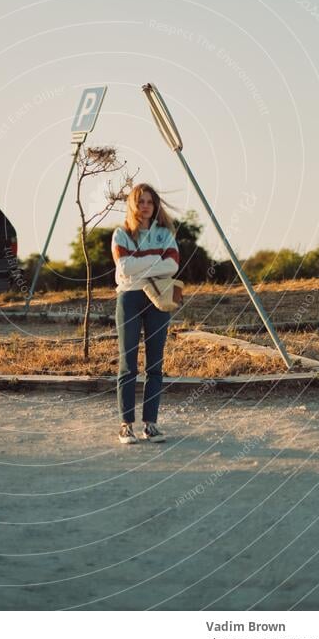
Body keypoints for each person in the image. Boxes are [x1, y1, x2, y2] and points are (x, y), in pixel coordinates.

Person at [111, 183, 180, 445]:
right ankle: (126, 425)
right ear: (132, 204)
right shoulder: (121, 234)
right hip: (129, 297)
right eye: (140, 202)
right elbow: (125, 267)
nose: (145, 206)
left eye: (150, 202)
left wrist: (143, 262)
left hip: (159, 298)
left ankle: (150, 425)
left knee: (155, 364)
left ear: (155, 205)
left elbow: (172, 264)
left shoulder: (164, 234)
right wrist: (155, 261)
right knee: (128, 363)